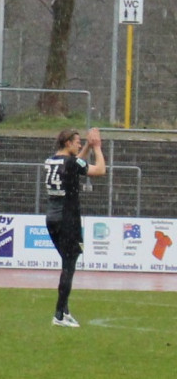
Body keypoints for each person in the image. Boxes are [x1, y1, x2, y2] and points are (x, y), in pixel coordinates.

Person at [44, 127, 105, 328]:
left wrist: (87, 146)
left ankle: (65, 310)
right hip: (67, 219)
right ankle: (59, 314)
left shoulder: (51, 160)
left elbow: (74, 163)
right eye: (77, 141)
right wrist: (97, 147)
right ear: (68, 142)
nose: (79, 144)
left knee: (67, 263)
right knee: (69, 266)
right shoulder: (71, 162)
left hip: (52, 218)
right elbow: (100, 170)